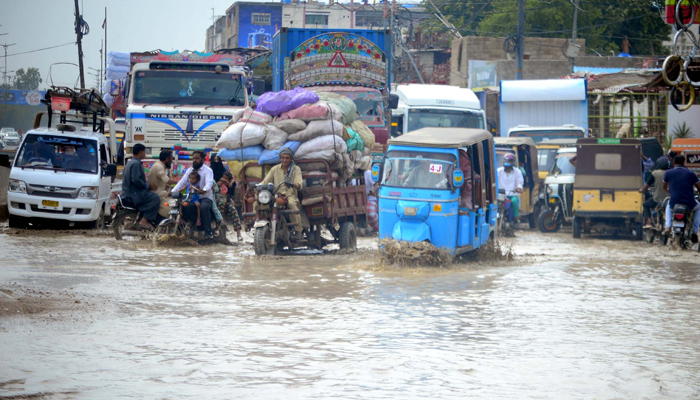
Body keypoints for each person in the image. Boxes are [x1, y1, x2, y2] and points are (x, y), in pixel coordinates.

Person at [258, 147, 303, 237]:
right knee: (258, 203)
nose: (284, 160)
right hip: (276, 196)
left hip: (290, 196)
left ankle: (298, 231)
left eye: (287, 158)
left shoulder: (296, 169)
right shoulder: (275, 169)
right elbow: (265, 181)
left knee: (292, 205)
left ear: (291, 159)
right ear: (280, 158)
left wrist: (296, 185)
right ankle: (257, 224)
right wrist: (258, 186)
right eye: (283, 158)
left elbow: (299, 182)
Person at [172, 151, 215, 238]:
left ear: (203, 159)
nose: (195, 160)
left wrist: (204, 190)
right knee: (184, 206)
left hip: (204, 197)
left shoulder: (208, 171)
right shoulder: (190, 170)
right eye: (193, 158)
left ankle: (208, 232)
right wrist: (173, 191)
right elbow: (182, 182)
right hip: (191, 197)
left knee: (203, 207)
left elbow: (209, 182)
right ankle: (191, 224)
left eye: (197, 158)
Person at [121, 144, 161, 229]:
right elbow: (136, 180)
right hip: (134, 194)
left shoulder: (130, 162)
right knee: (155, 198)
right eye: (144, 152)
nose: (145, 154)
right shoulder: (136, 164)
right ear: (140, 152)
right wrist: (148, 186)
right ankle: (145, 220)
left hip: (128, 193)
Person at [663, 155, 700, 242]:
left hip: (674, 202)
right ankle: (695, 231)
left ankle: (667, 227)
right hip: (689, 203)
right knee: (698, 208)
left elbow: (664, 187)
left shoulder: (668, 173)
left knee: (668, 207)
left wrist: (671, 193)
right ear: (684, 163)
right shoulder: (691, 173)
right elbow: (699, 187)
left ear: (674, 162)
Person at [639, 160, 670, 228]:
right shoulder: (671, 173)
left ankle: (649, 222)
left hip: (657, 199)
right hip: (669, 200)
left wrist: (641, 190)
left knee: (645, 205)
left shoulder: (655, 173)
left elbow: (646, 186)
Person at [148, 150, 179, 218]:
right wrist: (179, 182)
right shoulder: (159, 166)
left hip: (160, 192)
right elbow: (166, 180)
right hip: (157, 193)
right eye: (171, 158)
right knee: (171, 207)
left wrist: (170, 187)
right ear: (167, 159)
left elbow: (162, 182)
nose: (172, 161)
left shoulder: (160, 166)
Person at [215, 171, 244, 242]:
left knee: (233, 210)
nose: (224, 179)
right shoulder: (218, 182)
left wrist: (230, 183)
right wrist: (223, 181)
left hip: (227, 199)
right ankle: (218, 229)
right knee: (220, 208)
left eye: (226, 178)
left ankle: (238, 233)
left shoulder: (231, 184)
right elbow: (216, 187)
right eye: (223, 177)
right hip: (218, 200)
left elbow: (231, 194)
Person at [497, 153, 524, 225]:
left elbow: (519, 182)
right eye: (506, 161)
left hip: (512, 193)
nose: (507, 163)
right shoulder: (498, 171)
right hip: (500, 194)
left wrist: (519, 188)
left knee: (515, 201)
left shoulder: (517, 172)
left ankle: (515, 219)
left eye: (509, 161)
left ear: (513, 162)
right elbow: (494, 181)